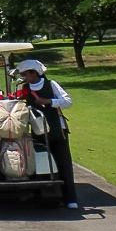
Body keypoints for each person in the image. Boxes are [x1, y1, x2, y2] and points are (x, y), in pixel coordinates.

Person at [14, 59, 78, 209]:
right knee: (40, 162)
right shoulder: (25, 88)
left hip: (57, 129)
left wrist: (48, 101)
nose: (24, 77)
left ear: (33, 73)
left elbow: (68, 101)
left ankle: (70, 198)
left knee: (63, 163)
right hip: (38, 130)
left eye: (25, 74)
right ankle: (45, 195)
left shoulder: (51, 84)